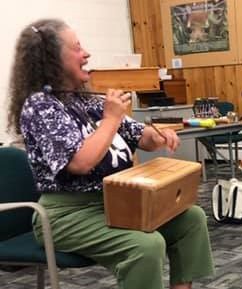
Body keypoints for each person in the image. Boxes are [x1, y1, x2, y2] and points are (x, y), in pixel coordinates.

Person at [6, 19, 214, 289]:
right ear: (52, 58)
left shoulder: (90, 101)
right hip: (66, 216)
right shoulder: (40, 106)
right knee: (146, 245)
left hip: (114, 204)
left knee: (191, 218)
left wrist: (158, 136)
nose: (86, 53)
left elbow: (143, 137)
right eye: (77, 48)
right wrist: (111, 119)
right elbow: (80, 162)